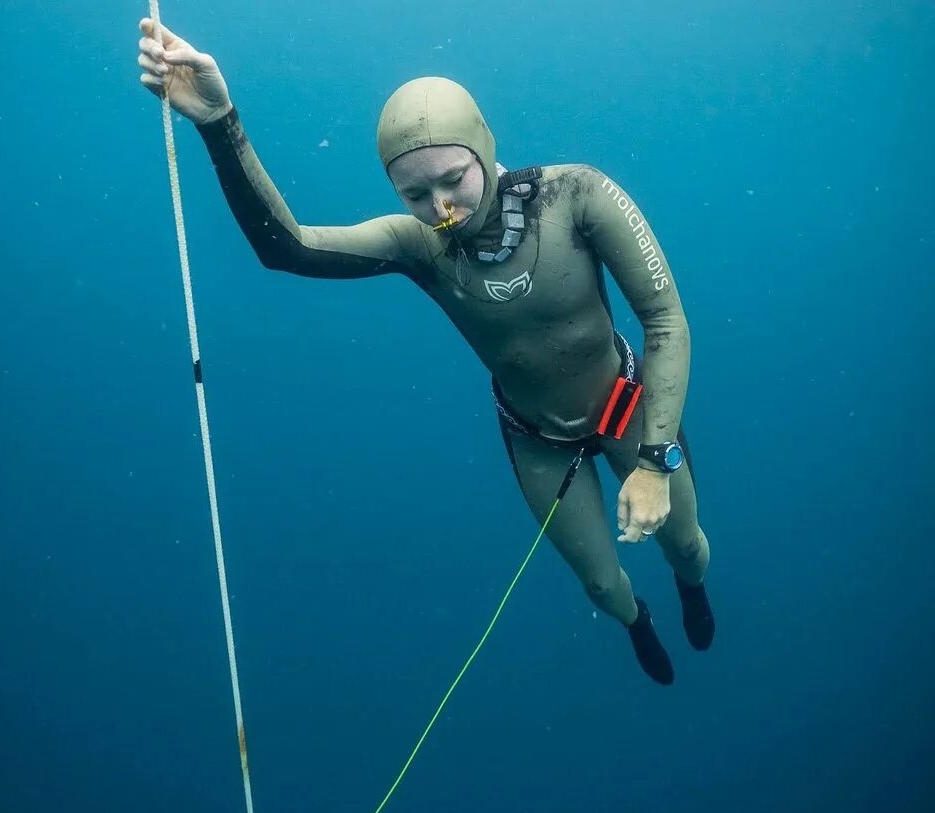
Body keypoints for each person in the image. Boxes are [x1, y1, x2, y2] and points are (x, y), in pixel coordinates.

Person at [137, 18, 715, 685]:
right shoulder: (418, 245)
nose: (441, 208)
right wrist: (219, 120)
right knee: (600, 588)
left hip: (625, 409)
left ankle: (690, 587)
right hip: (535, 436)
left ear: (482, 149)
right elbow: (286, 247)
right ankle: (637, 620)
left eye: (453, 180)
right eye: (415, 194)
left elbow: (665, 319)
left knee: (685, 543)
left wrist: (653, 460)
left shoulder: (575, 195)